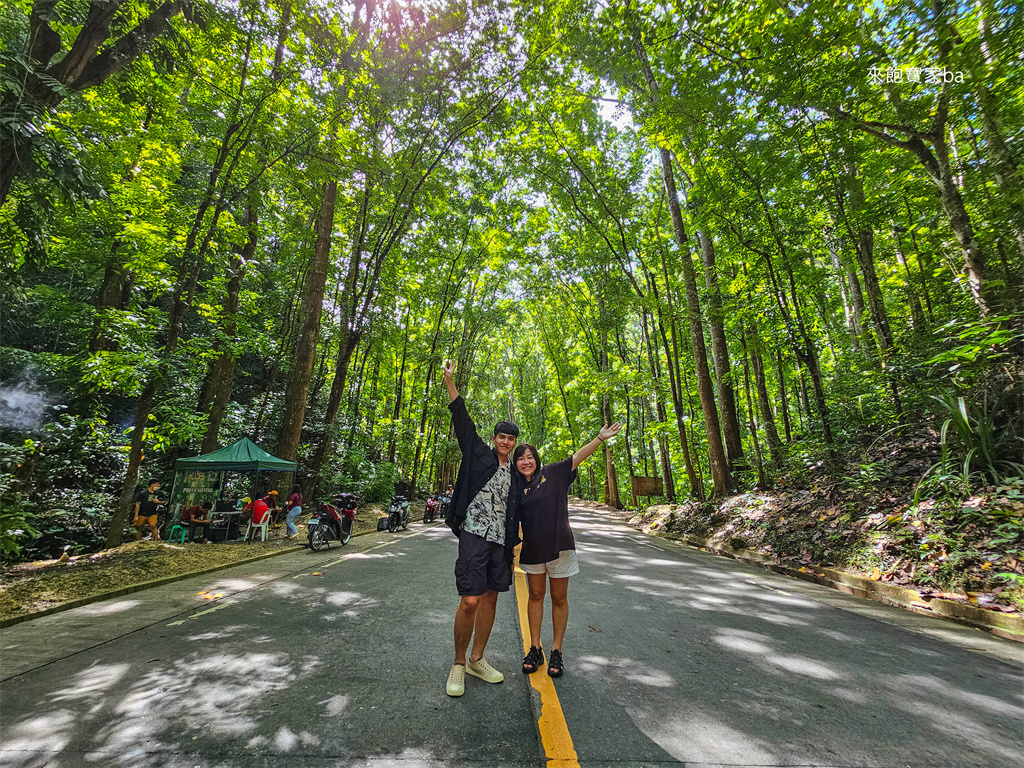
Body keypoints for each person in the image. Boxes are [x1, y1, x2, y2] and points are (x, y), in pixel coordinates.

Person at [514, 421, 622, 678]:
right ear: (516, 464)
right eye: (520, 458)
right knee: (536, 596)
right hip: (532, 550)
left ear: (537, 460)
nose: (526, 461)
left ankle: (556, 651)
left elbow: (577, 457)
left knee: (559, 598)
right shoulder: (516, 487)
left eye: (530, 457)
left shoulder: (552, 473)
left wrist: (599, 437)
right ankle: (535, 648)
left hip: (560, 547)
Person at [441, 360, 521, 698]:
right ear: (494, 438)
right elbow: (461, 417)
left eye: (511, 438)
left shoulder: (518, 473)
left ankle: (477, 658)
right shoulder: (478, 453)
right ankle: (458, 663)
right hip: (474, 533)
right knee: (470, 600)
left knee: (490, 598)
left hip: (501, 543)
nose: (505, 441)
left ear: (515, 443)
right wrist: (449, 380)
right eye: (501, 436)